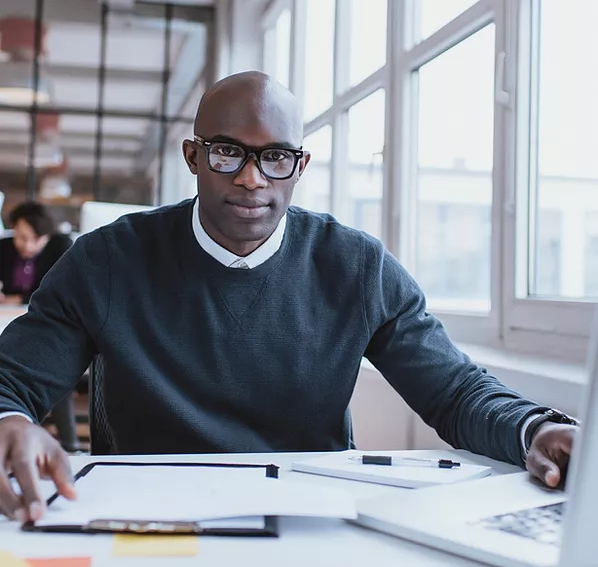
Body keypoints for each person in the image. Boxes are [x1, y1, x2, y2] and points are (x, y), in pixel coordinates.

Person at [0, 71, 577, 523]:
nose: (253, 179)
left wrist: (535, 429)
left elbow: (453, 393)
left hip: (311, 517)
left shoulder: (356, 267)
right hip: (146, 516)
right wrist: (11, 420)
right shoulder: (107, 260)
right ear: (193, 157)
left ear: (299, 165)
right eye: (228, 152)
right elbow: (13, 383)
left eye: (276, 157)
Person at [0, 201, 80, 454]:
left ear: (47, 236)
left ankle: (69, 445)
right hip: (8, 320)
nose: (27, 245)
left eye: (35, 239)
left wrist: (16, 298)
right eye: (21, 237)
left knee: (50, 364)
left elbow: (57, 293)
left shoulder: (62, 248)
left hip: (48, 325)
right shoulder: (3, 248)